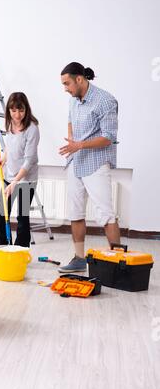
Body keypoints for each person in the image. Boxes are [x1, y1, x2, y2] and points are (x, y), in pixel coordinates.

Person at [58, 62, 120, 272]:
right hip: (76, 162)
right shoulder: (73, 101)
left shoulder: (105, 100)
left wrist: (80, 145)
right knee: (75, 213)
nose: (65, 88)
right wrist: (73, 142)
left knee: (105, 215)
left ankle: (118, 262)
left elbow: (108, 137)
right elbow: (70, 121)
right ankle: (78, 258)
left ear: (80, 79)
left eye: (67, 83)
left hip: (96, 164)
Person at [0, 92, 40, 248]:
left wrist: (16, 181)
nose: (17, 114)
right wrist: (4, 158)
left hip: (25, 180)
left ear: (26, 109)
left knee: (22, 216)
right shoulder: (10, 125)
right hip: (9, 176)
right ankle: (1, 247)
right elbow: (9, 147)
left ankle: (20, 249)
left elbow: (29, 161)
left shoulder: (32, 129)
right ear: (9, 110)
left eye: (21, 110)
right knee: (2, 213)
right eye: (13, 110)